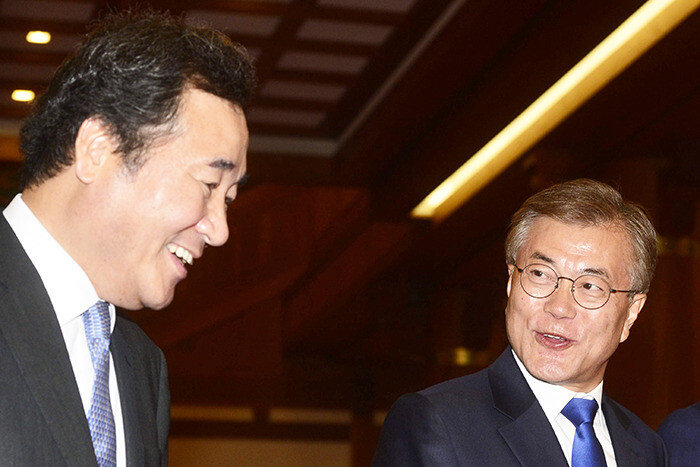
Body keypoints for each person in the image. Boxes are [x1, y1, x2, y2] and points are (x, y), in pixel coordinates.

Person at [0, 10, 255, 466]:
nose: (220, 231)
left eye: (229, 199)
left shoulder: (143, 368)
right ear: (99, 149)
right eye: (208, 185)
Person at [374, 179, 667, 466]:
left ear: (631, 312)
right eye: (540, 274)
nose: (558, 308)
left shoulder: (646, 448)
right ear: (510, 283)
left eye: (590, 286)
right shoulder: (437, 423)